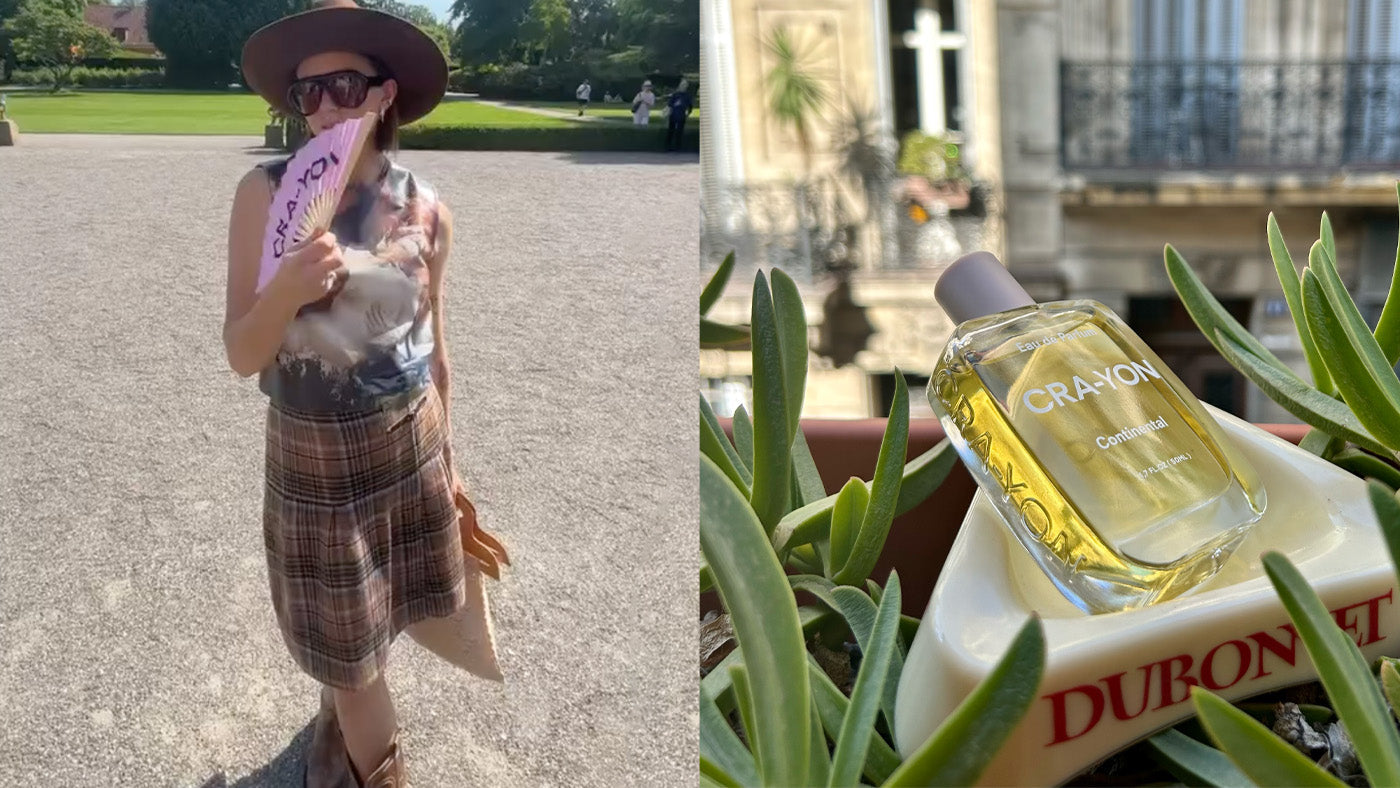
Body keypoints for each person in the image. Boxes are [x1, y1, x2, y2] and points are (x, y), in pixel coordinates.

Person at [228, 1, 509, 785]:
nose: (321, 109)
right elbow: (241, 354)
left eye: (343, 86)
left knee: (367, 631)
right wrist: (284, 289)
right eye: (304, 94)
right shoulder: (262, 193)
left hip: (407, 442)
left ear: (385, 94)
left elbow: (435, 354)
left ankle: (340, 716)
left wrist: (450, 469)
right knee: (352, 659)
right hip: (313, 456)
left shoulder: (428, 210)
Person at [663, 79, 693, 152]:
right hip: (673, 116)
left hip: (682, 116)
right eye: (682, 85)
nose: (683, 86)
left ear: (687, 86)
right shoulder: (675, 95)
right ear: (680, 86)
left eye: (685, 85)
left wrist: (688, 113)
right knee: (671, 131)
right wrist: (667, 113)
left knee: (679, 132)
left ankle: (678, 147)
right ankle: (668, 147)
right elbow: (669, 105)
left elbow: (690, 106)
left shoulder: (687, 96)